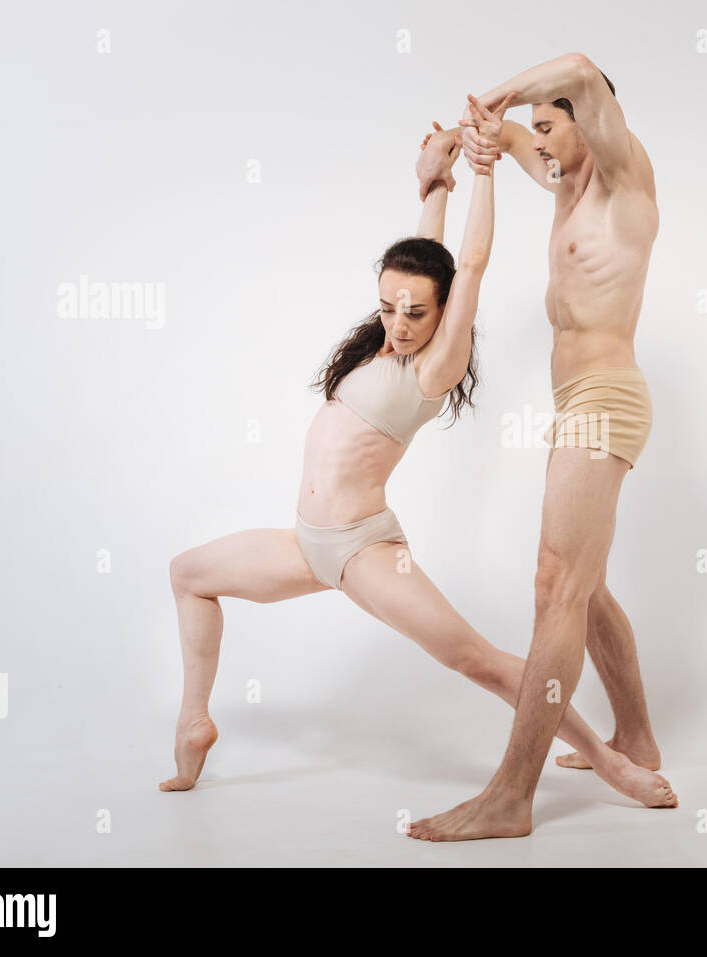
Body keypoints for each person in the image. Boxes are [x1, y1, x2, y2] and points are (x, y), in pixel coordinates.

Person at [159, 93, 675, 812]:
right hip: (308, 543)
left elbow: (466, 263)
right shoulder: (390, 332)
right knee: (189, 574)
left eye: (415, 312)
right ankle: (193, 721)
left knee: (480, 662)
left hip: (364, 550)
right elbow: (426, 260)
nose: (399, 323)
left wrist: (487, 172)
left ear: (444, 313)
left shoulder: (435, 363)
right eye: (388, 307)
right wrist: (434, 181)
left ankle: (610, 760)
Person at [408, 55, 671, 841]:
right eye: (541, 135)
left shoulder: (627, 183)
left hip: (606, 400)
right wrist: (454, 150)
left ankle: (510, 795)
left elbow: (583, 73)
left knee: (553, 582)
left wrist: (499, 93)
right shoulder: (566, 179)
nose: (541, 146)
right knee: (582, 587)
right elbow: (506, 137)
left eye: (553, 128)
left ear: (590, 123)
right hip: (573, 406)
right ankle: (635, 737)